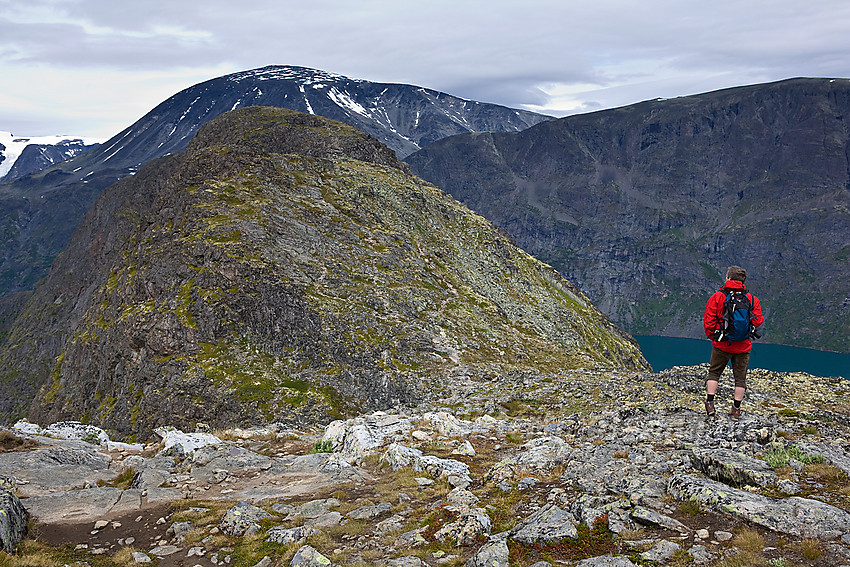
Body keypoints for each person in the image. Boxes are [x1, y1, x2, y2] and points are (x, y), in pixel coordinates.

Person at [703, 266, 763, 420]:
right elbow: (758, 319)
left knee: (714, 373)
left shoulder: (718, 297)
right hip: (743, 346)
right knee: (740, 378)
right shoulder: (751, 299)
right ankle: (736, 410)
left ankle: (710, 404)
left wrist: (715, 336)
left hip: (722, 344)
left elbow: (709, 322)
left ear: (728, 278)